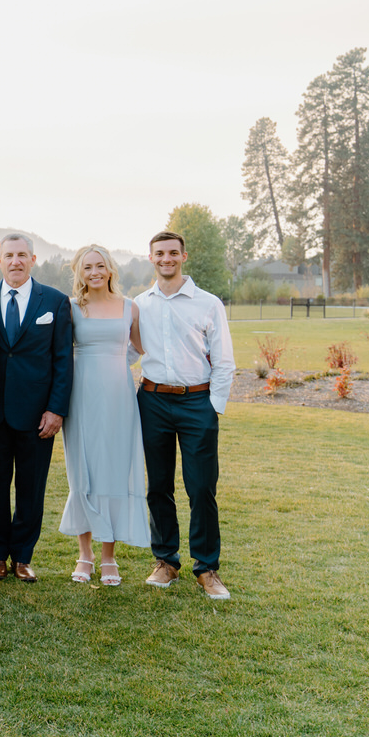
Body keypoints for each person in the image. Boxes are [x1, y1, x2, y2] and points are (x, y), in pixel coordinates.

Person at [134, 231, 236, 601]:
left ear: (183, 256)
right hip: (153, 401)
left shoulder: (208, 304)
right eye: (159, 253)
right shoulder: (139, 304)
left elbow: (224, 360)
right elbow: (128, 351)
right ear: (151, 258)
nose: (166, 259)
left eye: (173, 253)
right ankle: (166, 562)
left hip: (197, 402)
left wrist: (213, 407)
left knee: (202, 487)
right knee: (158, 486)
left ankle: (207, 568)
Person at [0, 233, 73, 583]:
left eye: (22, 255)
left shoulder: (56, 301)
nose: (15, 261)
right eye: (9, 255)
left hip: (37, 414)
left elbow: (62, 359)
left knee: (31, 487)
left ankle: (24, 557)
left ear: (33, 260)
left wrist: (56, 409)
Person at [58, 245, 150, 587]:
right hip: (80, 395)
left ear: (110, 269)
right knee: (82, 471)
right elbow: (60, 353)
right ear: (79, 272)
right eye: (87, 267)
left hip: (118, 397)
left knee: (113, 469)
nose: (94, 272)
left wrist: (115, 366)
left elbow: (140, 350)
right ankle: (85, 555)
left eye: (100, 265)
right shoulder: (71, 308)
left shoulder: (130, 307)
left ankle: (109, 556)